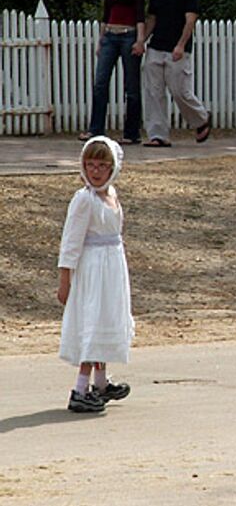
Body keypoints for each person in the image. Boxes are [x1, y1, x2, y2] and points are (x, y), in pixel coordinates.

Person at [57, 136, 134, 413]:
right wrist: (65, 279)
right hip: (93, 270)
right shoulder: (84, 200)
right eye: (90, 165)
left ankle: (100, 383)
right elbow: (70, 242)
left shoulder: (110, 195)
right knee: (92, 321)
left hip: (112, 267)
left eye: (102, 165)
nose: (95, 171)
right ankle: (79, 388)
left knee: (106, 318)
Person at [143, 0, 211, 147]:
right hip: (156, 46)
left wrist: (181, 45)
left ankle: (201, 118)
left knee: (180, 91)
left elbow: (190, 21)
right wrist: (142, 40)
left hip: (177, 48)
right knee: (153, 93)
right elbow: (152, 18)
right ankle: (158, 135)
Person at [79, 0, 146, 145]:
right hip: (110, 35)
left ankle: (132, 132)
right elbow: (106, 12)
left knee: (131, 86)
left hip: (129, 35)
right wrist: (101, 39)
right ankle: (96, 129)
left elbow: (140, 11)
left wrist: (140, 39)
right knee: (100, 82)